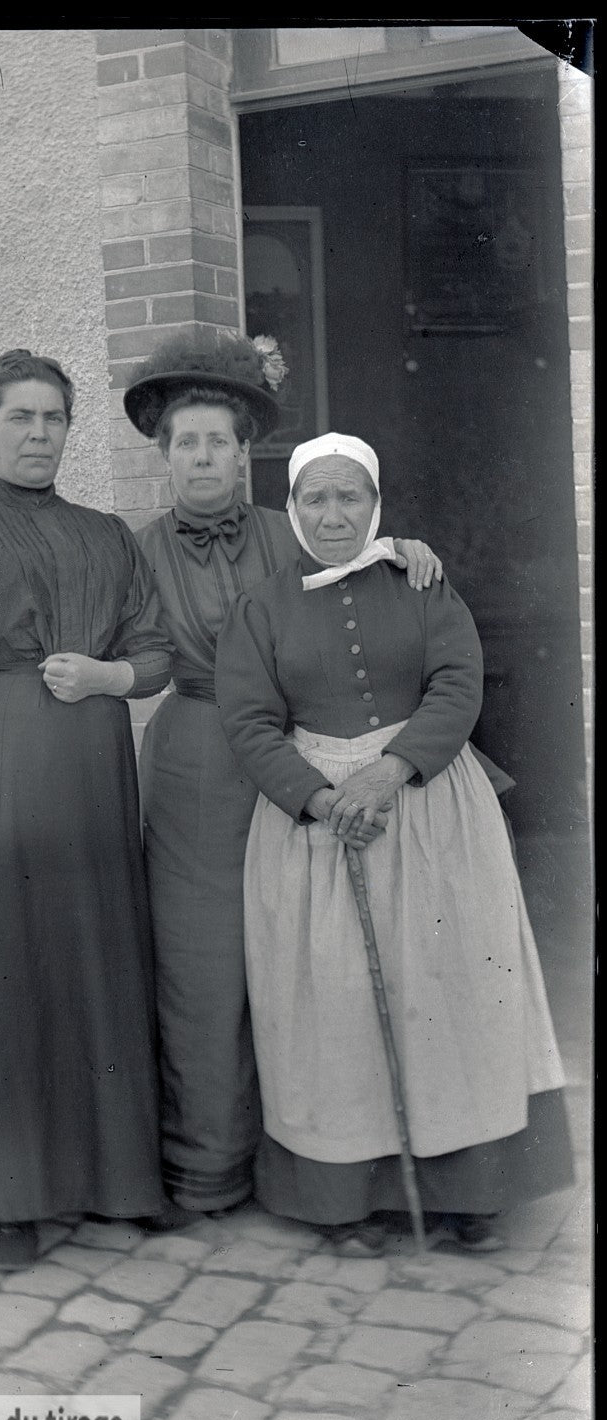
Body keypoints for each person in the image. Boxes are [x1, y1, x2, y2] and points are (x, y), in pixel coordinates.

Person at [215, 432, 573, 1256]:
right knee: (333, 1004)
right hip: (313, 823)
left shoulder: (421, 581)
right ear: (292, 508)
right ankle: (351, 1200)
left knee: (450, 993)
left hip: (429, 806)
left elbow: (456, 682)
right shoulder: (260, 608)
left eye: (349, 497)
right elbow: (247, 720)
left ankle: (472, 1192)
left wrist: (390, 770)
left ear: (373, 504)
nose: (332, 514)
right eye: (315, 499)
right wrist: (318, 793)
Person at [122, 333, 443, 1228]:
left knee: (309, 960)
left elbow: (360, 584)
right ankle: (205, 1170)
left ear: (244, 451)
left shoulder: (291, 532)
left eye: (217, 441)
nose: (202, 457)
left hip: (295, 758)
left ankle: (316, 1167)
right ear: (163, 453)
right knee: (202, 968)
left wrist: (401, 550)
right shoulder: (132, 549)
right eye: (185, 442)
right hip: (192, 763)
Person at [0, 348, 173, 1269]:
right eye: (20, 417)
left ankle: (111, 1178)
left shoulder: (107, 536)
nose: (38, 433)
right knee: (8, 980)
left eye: (53, 417)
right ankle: (7, 1197)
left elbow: (157, 653)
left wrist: (108, 675)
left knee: (92, 968)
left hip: (90, 784)